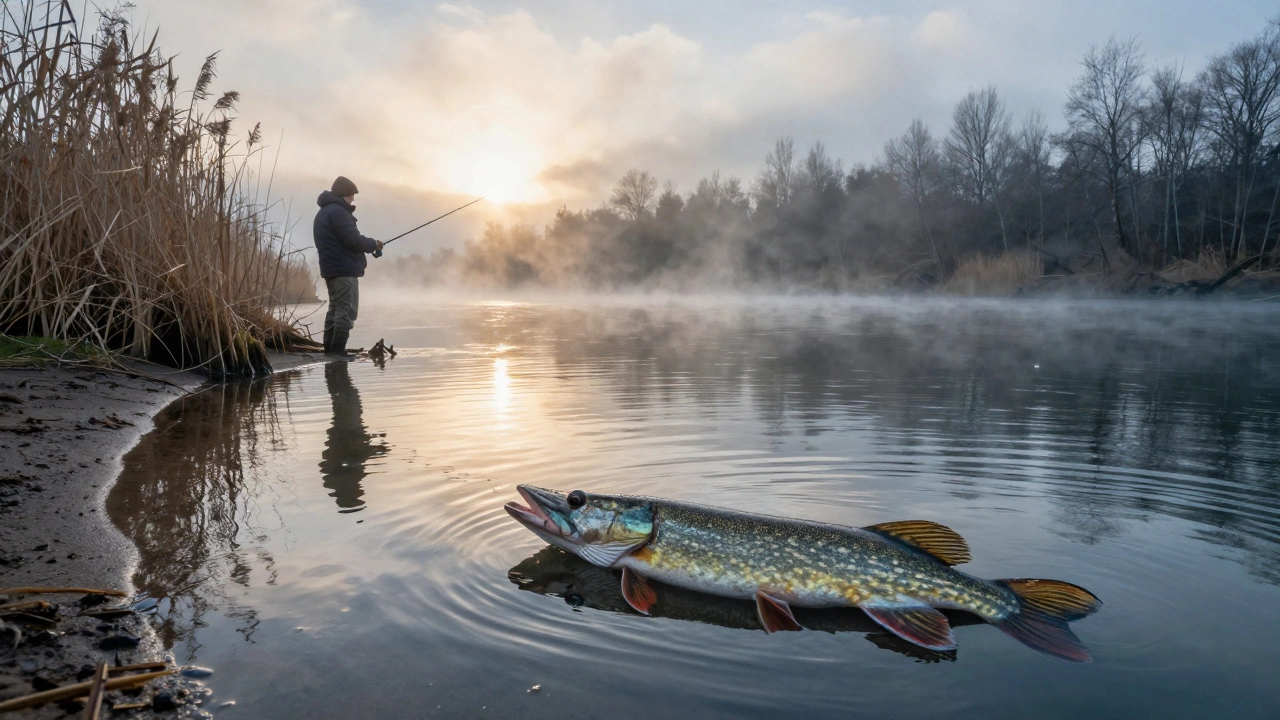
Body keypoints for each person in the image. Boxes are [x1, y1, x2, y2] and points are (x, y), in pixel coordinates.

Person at [313, 176, 383, 360]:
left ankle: (329, 350)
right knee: (346, 309)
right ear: (344, 194)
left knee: (335, 308)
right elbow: (353, 240)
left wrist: (369, 245)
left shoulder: (324, 213)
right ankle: (337, 353)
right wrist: (372, 244)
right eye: (352, 195)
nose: (353, 199)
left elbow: (344, 240)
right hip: (344, 271)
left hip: (332, 270)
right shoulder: (338, 213)